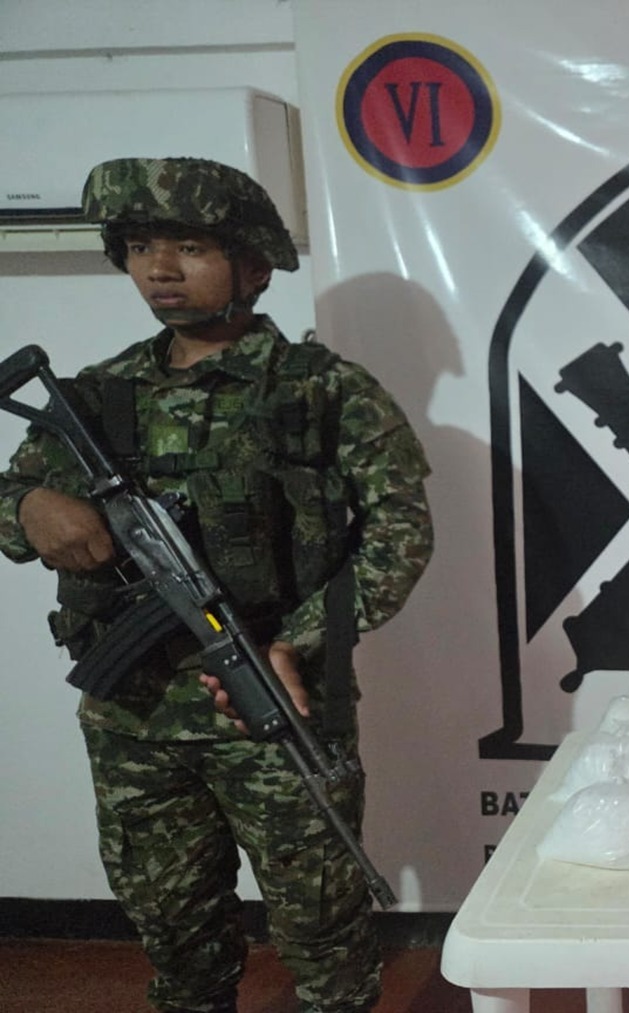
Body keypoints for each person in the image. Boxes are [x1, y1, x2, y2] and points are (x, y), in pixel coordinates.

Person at [0, 157, 434, 1013]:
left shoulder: (324, 392)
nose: (160, 268)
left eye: (191, 247)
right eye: (140, 248)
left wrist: (295, 643)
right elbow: (12, 500)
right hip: (134, 719)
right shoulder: (93, 398)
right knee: (173, 931)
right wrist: (30, 506)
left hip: (275, 706)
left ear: (255, 264)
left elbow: (400, 535)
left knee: (324, 936)